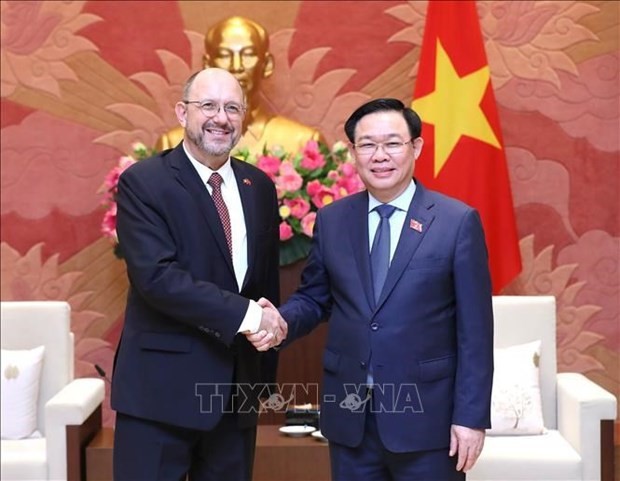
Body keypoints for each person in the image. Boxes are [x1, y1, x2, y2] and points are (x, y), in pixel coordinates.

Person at [250, 98, 494, 480]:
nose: (380, 156)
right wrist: (279, 320)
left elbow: (476, 333)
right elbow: (315, 297)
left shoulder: (456, 222)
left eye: (393, 143)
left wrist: (471, 418)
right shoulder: (333, 220)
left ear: (416, 147)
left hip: (429, 422)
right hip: (351, 420)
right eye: (367, 145)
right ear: (353, 153)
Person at [111, 67, 286, 481]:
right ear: (181, 112)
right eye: (207, 105)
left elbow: (263, 283)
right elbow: (157, 278)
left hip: (233, 396)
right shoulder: (145, 182)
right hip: (159, 395)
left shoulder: (257, 185)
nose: (220, 118)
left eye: (232, 108)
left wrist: (268, 348)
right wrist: (249, 317)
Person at [157, 16, 322, 157]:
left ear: (267, 64)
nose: (236, 66)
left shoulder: (304, 142)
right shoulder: (172, 144)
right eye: (224, 55)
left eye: (248, 54)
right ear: (207, 64)